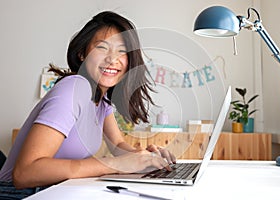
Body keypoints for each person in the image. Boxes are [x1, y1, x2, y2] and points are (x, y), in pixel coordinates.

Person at [0, 11, 176, 199]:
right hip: (17, 194)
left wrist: (143, 157)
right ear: (82, 53)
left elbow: (117, 144)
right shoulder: (75, 87)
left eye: (122, 51)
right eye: (102, 47)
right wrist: (116, 165)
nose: (112, 59)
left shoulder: (101, 99)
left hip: (54, 189)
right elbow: (25, 173)